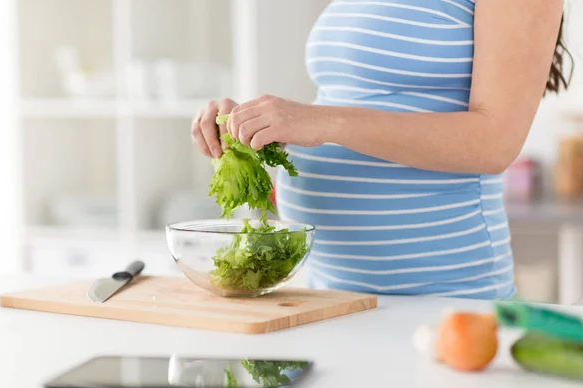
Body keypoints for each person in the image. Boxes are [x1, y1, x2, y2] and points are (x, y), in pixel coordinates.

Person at [191, 0, 572, 299]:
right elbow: (356, 99)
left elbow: (495, 142)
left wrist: (318, 121)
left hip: (443, 298)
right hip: (332, 290)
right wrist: (250, 125)